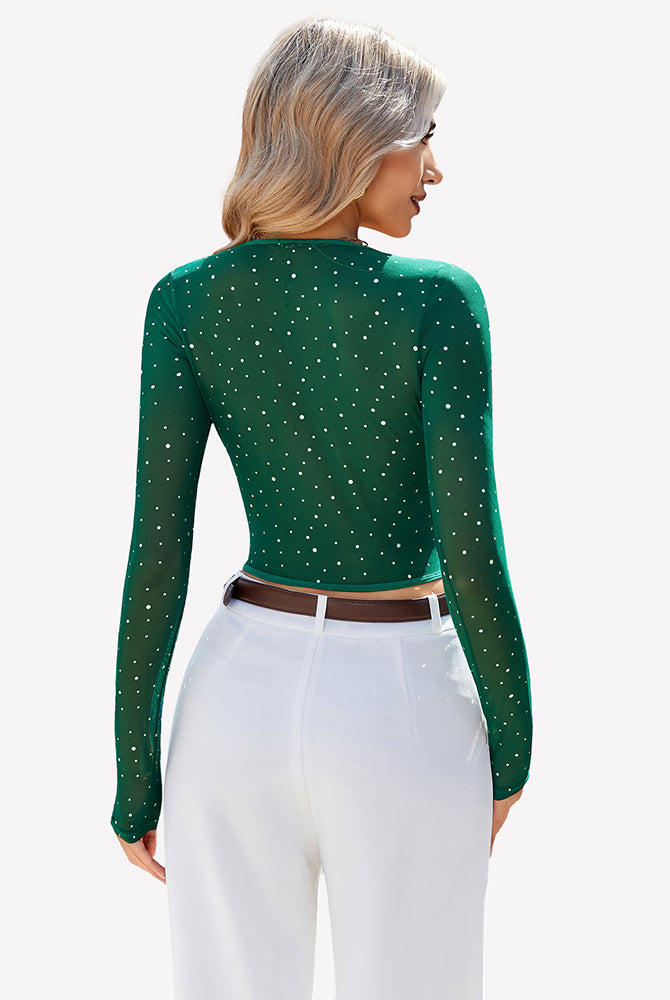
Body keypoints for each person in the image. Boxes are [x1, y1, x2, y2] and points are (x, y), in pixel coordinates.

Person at [111, 14, 533, 1000]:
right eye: (423, 138)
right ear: (358, 137)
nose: (434, 171)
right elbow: (470, 549)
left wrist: (135, 775)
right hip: (402, 700)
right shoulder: (436, 300)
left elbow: (157, 552)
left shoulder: (185, 300)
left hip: (233, 697)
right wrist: (512, 750)